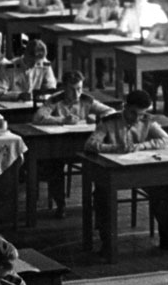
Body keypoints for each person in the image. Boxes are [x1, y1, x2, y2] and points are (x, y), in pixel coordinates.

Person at [85, 88, 168, 254]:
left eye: (141, 114)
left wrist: (141, 146)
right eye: (133, 113)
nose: (137, 118)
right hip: (113, 170)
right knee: (102, 194)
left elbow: (167, 140)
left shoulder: (147, 120)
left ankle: (167, 238)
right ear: (125, 106)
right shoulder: (109, 121)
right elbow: (90, 144)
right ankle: (106, 241)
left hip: (138, 169)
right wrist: (114, 148)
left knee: (163, 188)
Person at [32, 70, 116, 218]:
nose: (77, 93)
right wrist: (62, 120)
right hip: (59, 145)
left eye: (79, 88)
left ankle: (97, 200)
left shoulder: (86, 99)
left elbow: (111, 111)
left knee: (101, 164)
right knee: (54, 165)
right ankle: (61, 204)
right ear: (64, 88)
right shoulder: (55, 99)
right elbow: (38, 117)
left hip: (82, 144)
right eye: (72, 89)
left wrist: (98, 119)